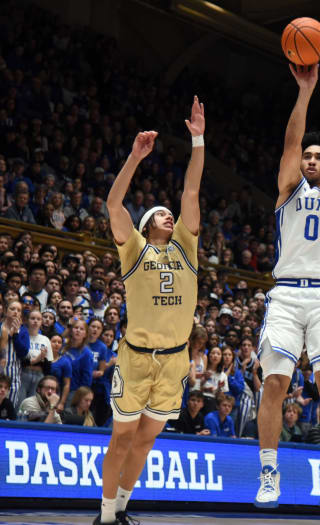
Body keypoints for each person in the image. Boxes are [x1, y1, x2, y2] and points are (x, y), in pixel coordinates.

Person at [95, 96, 205, 525]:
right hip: (137, 359)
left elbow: (191, 190)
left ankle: (121, 511)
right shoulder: (135, 250)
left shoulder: (186, 247)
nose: (169, 214)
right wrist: (135, 157)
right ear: (145, 227)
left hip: (175, 360)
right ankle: (103, 517)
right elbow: (113, 205)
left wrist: (198, 139)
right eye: (161, 213)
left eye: (170, 213)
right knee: (120, 441)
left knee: (145, 444)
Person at [255, 63, 320, 511]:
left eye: (319, 157)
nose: (312, 160)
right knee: (274, 384)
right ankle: (268, 472)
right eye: (308, 156)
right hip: (286, 294)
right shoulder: (287, 187)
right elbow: (291, 142)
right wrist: (306, 92)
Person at [0, 300, 29, 406]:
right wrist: (7, 336)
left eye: (19, 310)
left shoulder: (23, 331)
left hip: (13, 376)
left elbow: (23, 353)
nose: (15, 312)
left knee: (9, 408)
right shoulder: (0, 327)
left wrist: (16, 335)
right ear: (6, 311)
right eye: (12, 309)